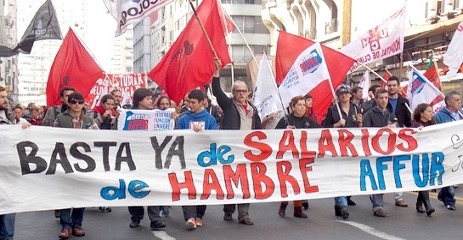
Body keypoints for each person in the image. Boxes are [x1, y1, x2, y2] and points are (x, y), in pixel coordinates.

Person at [212, 58, 261, 225]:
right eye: (238, 91)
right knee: (231, 180)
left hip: (248, 150)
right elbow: (217, 92)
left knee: (246, 182)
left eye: (244, 91)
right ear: (233, 93)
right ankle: (228, 209)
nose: (241, 93)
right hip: (231, 150)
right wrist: (217, 72)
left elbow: (259, 130)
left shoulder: (254, 109)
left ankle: (244, 215)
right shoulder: (228, 105)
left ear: (248, 93)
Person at [53, 92, 98, 239]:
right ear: (68, 103)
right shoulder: (60, 118)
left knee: (80, 194)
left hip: (85, 163)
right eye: (73, 102)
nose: (77, 105)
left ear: (83, 103)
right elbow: (51, 136)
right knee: (66, 193)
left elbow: (99, 138)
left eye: (79, 102)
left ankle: (77, 224)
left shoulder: (90, 120)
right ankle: (66, 225)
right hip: (65, 161)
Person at [176, 89, 218, 230]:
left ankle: (199, 215)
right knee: (186, 187)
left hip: (204, 161)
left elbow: (215, 138)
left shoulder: (210, 119)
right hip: (187, 159)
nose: (191, 105)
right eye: (189, 102)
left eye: (194, 103)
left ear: (202, 103)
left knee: (201, 188)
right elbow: (177, 138)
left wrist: (204, 134)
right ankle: (189, 217)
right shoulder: (183, 119)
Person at [127, 88, 166, 230]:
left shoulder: (157, 115)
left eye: (151, 98)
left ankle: (155, 219)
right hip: (133, 156)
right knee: (134, 186)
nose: (151, 101)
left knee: (153, 186)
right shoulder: (127, 115)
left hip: (153, 156)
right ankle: (136, 216)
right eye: (148, 98)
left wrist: (172, 118)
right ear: (139, 101)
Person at [275, 96, 320, 219]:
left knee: (300, 182)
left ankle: (298, 208)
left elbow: (320, 131)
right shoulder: (286, 120)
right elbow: (274, 135)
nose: (302, 107)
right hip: (288, 156)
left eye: (304, 105)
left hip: (303, 157)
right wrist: (284, 130)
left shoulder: (308, 121)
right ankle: (283, 205)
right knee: (288, 182)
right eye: (299, 105)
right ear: (293, 107)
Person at [322, 84, 362, 220]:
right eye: (341, 94)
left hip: (352, 147)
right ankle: (342, 204)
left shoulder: (356, 109)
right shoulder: (333, 110)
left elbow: (361, 129)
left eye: (346, 93)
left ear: (351, 95)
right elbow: (324, 128)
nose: (344, 95)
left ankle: (340, 202)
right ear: (338, 96)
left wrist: (360, 123)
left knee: (349, 175)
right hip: (338, 147)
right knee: (340, 174)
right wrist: (336, 125)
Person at [0, 86, 32, 240]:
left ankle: (7, 237)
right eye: (1, 96)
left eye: (5, 97)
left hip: (7, 170)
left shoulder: (10, 117)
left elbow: (21, 128)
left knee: (8, 205)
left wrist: (23, 128)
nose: (4, 100)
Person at [363, 88, 398, 217]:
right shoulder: (369, 115)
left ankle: (377, 199)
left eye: (386, 98)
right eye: (381, 98)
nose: (384, 100)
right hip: (375, 150)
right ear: (376, 99)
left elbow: (398, 129)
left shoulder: (390, 114)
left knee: (384, 177)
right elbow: (366, 133)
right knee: (378, 177)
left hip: (388, 150)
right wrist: (384, 129)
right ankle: (377, 205)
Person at [434, 91, 463, 211]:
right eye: (456, 100)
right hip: (448, 150)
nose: (459, 102)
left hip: (460, 149)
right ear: (448, 102)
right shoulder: (439, 117)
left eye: (460, 100)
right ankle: (449, 200)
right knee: (450, 174)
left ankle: (443, 194)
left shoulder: (461, 114)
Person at [386, 76, 410, 208]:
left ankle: (399, 197)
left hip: (399, 139)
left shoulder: (404, 102)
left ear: (398, 86)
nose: (391, 87)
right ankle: (378, 195)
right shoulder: (381, 100)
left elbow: (408, 121)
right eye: (389, 85)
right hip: (384, 139)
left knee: (397, 167)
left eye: (394, 85)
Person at [411, 103, 436, 216]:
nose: (431, 113)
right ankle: (428, 205)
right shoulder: (416, 125)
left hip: (431, 155)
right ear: (422, 113)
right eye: (429, 111)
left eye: (431, 111)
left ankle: (419, 202)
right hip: (420, 157)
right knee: (423, 179)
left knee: (427, 179)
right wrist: (418, 132)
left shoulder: (434, 125)